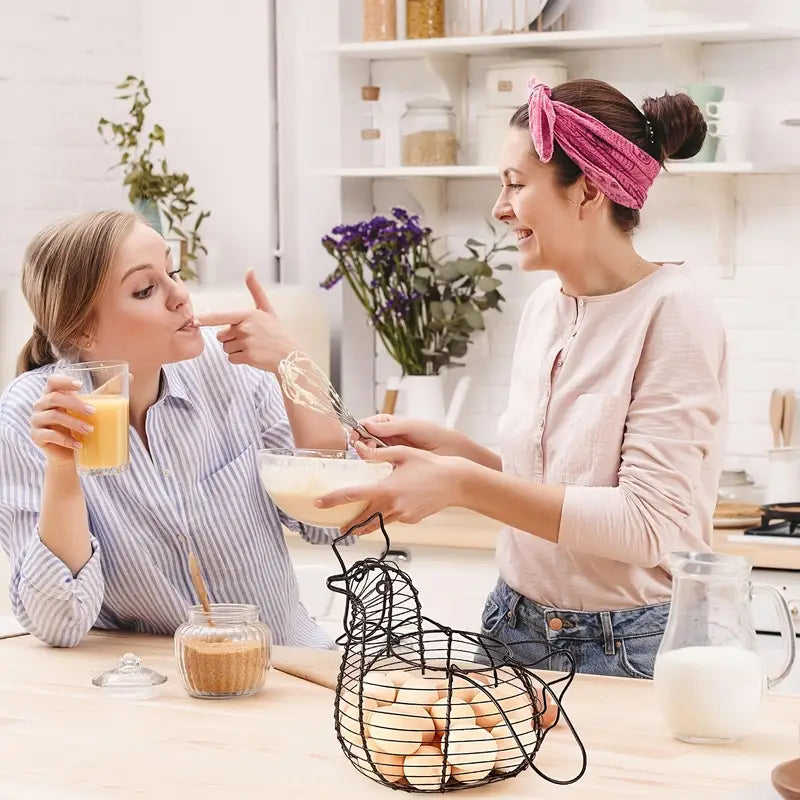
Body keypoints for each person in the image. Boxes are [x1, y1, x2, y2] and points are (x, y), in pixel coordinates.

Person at [315, 78, 728, 679]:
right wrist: (457, 454)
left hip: (625, 648)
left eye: (515, 184)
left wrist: (461, 483)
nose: (499, 207)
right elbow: (553, 488)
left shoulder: (674, 314)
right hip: (513, 627)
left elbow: (645, 525)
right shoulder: (544, 307)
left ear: (587, 190)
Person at [0, 210, 346, 649]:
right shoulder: (33, 414)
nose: (180, 295)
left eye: (173, 272)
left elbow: (334, 523)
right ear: (84, 329)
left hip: (286, 668)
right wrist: (62, 467)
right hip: (151, 690)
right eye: (146, 289)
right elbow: (59, 625)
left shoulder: (232, 371)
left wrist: (295, 364)